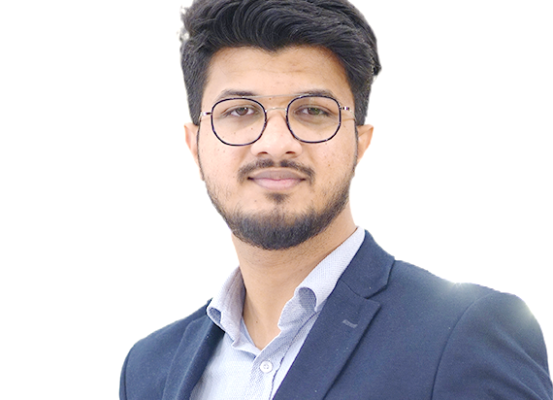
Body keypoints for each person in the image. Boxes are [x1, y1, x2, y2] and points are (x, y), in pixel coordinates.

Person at [119, 0, 553, 398]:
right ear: (195, 144)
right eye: (240, 111)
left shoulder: (465, 335)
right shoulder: (149, 370)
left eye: (313, 111)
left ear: (360, 142)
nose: (275, 143)